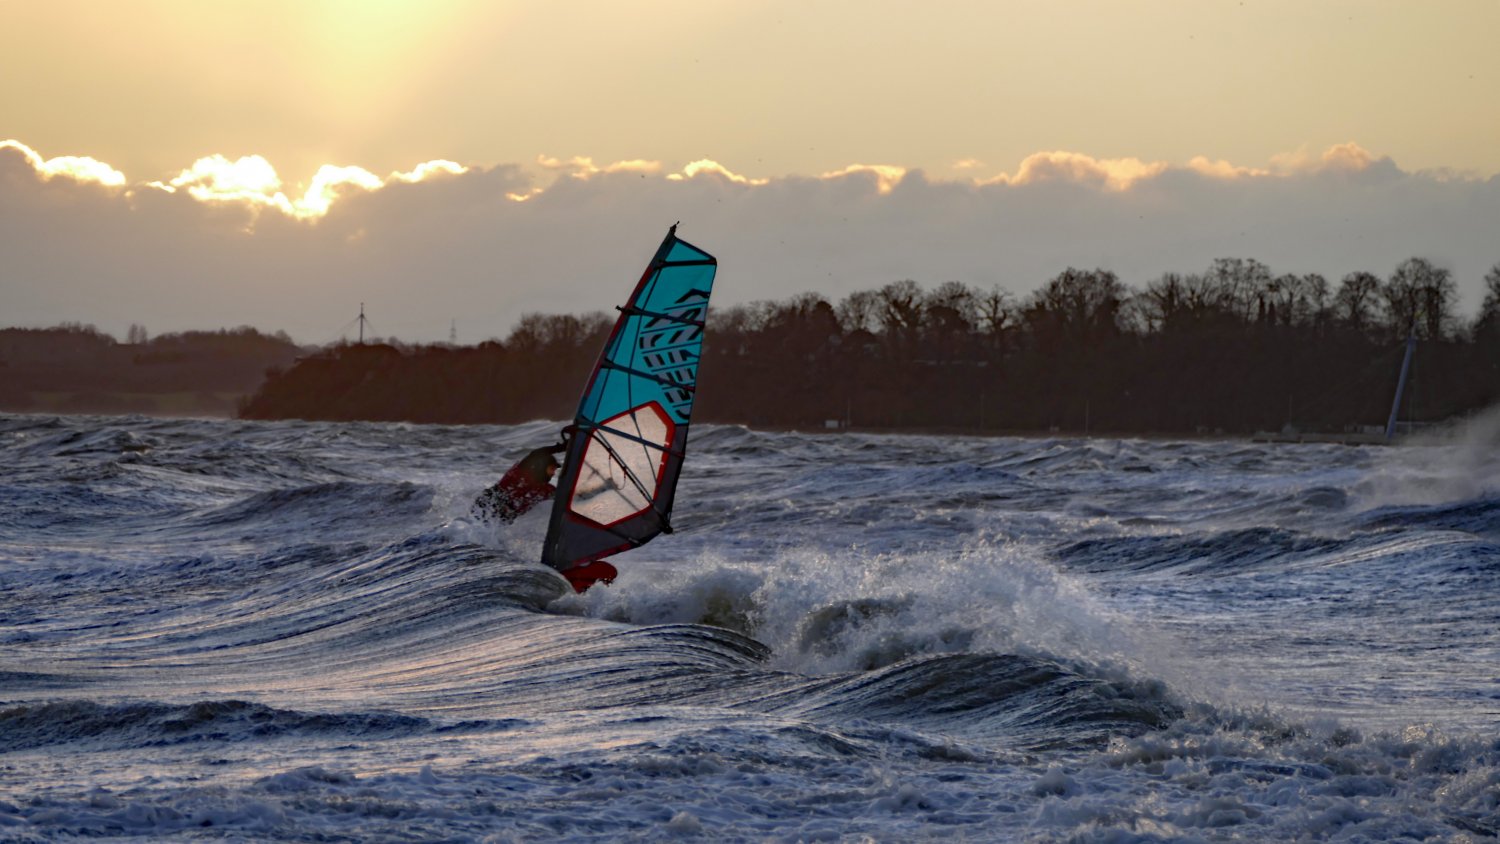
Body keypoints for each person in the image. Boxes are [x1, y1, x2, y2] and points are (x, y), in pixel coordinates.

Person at [472, 439, 567, 524]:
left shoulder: (546, 489)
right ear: (541, 466)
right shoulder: (520, 474)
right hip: (486, 506)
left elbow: (563, 497)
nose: (553, 473)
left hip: (504, 520)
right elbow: (536, 454)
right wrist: (561, 447)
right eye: (552, 469)